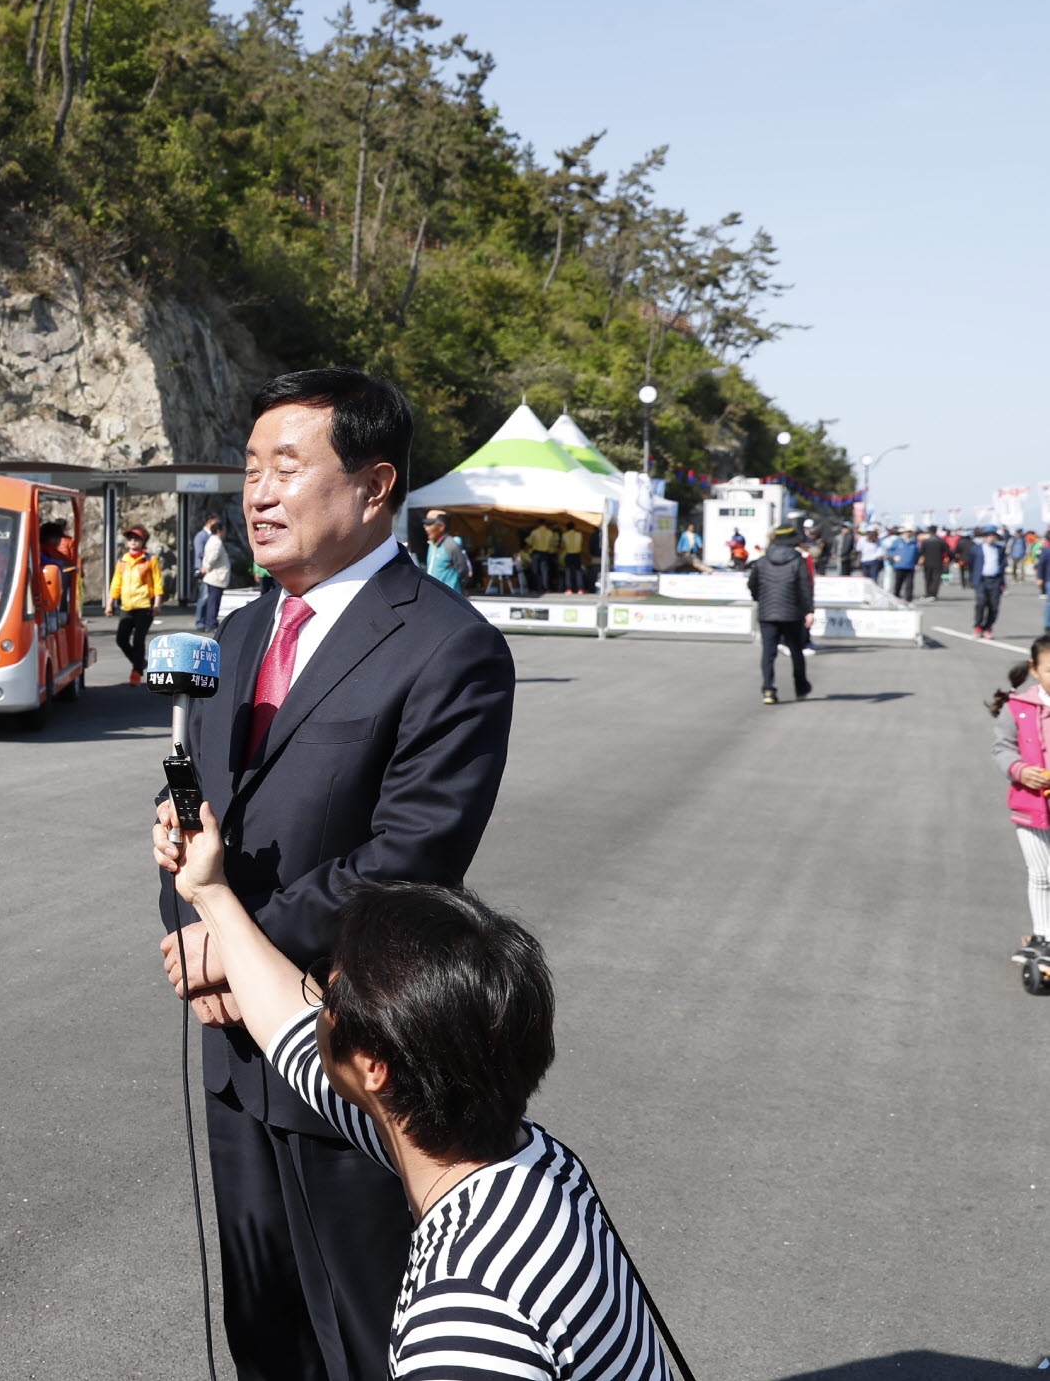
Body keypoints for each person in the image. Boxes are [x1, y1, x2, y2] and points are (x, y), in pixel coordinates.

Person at [152, 367, 515, 1380]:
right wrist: (183, 908)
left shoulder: (449, 650)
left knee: (361, 1333)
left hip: (349, 1055)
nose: (257, 493)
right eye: (249, 470)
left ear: (371, 485)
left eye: (286, 467)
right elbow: (194, 814)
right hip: (232, 1053)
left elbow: (411, 855)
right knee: (262, 1328)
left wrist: (233, 944)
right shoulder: (233, 632)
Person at [157, 827, 671, 1376]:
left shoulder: (463, 1320)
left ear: (374, 1067)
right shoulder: (535, 1161)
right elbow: (289, 1023)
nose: (320, 1003)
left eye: (331, 992)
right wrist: (210, 892)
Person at [992, 644, 1050, 971]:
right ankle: (1043, 935)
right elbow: (1002, 748)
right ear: (1034, 669)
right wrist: (1020, 770)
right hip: (1032, 806)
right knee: (1042, 874)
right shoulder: (1019, 707)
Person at [748, 523, 814, 704]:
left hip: (767, 612)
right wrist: (809, 610)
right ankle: (800, 689)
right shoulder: (798, 560)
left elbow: (752, 584)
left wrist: (759, 597)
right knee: (796, 652)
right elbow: (804, 588)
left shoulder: (762, 560)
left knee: (768, 653)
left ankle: (768, 690)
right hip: (792, 613)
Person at [104, 524, 164, 686]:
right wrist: (110, 603)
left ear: (143, 541)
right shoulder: (123, 560)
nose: (132, 541)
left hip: (145, 606)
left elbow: (158, 582)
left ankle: (136, 671)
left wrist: (157, 603)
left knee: (139, 640)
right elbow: (116, 583)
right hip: (127, 606)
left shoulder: (150, 560)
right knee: (121, 639)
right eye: (130, 538)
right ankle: (140, 662)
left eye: (136, 538)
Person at [970, 525, 1008, 639]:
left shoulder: (1000, 549)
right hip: (981, 579)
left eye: (993, 535)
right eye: (988, 535)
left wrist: (1002, 583)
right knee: (981, 603)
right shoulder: (976, 549)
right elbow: (972, 564)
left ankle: (988, 627)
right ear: (985, 537)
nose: (991, 538)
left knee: (994, 606)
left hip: (995, 579)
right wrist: (973, 579)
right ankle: (978, 626)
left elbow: (1002, 566)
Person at [419, 509, 471, 592]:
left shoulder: (451, 545)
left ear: (441, 527)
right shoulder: (432, 545)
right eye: (425, 525)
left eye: (429, 524)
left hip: (449, 598)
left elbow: (463, 572)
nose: (426, 528)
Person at [195, 514, 231, 632]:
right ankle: (211, 623)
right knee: (213, 601)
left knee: (211, 600)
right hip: (215, 576)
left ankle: (210, 622)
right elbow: (212, 557)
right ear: (220, 531)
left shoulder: (212, 540)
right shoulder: (216, 542)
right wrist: (207, 568)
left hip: (213, 576)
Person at [524, 520, 559, 591]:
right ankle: (545, 587)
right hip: (546, 553)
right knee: (545, 571)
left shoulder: (535, 532)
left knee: (535, 570)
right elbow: (554, 544)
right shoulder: (550, 533)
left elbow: (529, 541)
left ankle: (535, 587)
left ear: (539, 524)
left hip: (536, 553)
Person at [886, 528, 919, 602]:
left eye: (910, 532)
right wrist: (894, 556)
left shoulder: (914, 542)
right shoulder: (897, 541)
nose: (909, 533)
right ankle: (896, 594)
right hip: (900, 565)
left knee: (910, 583)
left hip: (910, 566)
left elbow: (917, 554)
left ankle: (909, 598)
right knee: (898, 582)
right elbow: (890, 550)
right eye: (907, 532)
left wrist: (917, 563)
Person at [919, 525, 947, 602]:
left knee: (928, 578)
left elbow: (921, 552)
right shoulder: (941, 541)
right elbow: (948, 551)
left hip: (927, 562)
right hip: (938, 562)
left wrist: (919, 561)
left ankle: (928, 593)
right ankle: (933, 594)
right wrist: (950, 559)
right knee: (936, 579)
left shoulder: (926, 541)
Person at [559, 520, 588, 594]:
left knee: (568, 572)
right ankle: (580, 589)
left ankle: (569, 589)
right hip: (577, 554)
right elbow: (582, 544)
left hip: (568, 554)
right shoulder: (579, 534)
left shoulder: (564, 535)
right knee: (578, 572)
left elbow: (563, 546)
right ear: (574, 527)